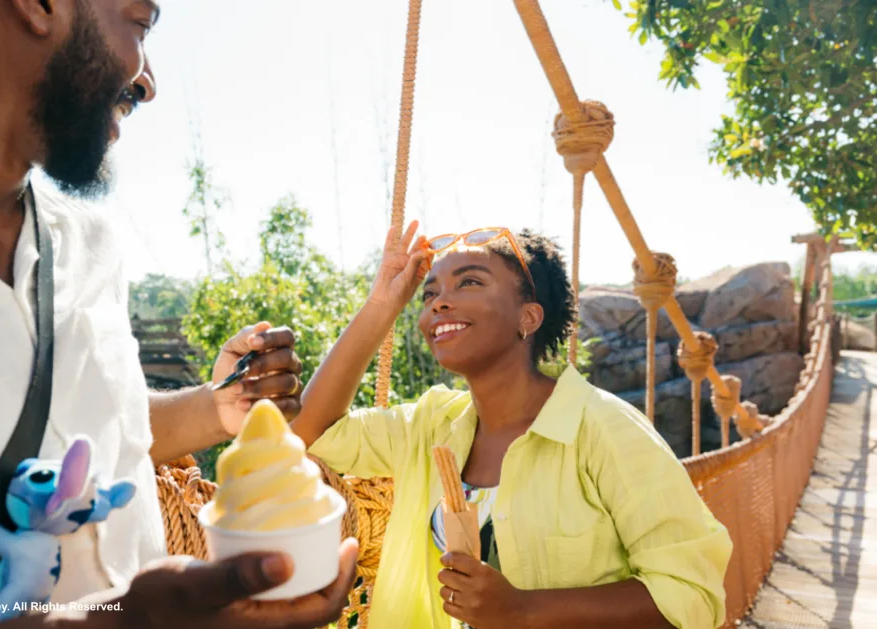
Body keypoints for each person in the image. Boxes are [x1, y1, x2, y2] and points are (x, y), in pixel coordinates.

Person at [0, 1, 357, 628]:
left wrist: (213, 406)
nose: (146, 81)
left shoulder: (86, 240)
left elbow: (91, 429)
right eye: (139, 23)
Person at [293, 223, 734, 629]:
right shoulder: (430, 426)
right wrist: (381, 305)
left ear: (529, 318)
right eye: (429, 295)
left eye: (469, 282)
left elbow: (691, 595)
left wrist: (524, 609)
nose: (439, 302)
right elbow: (307, 433)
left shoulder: (607, 430)